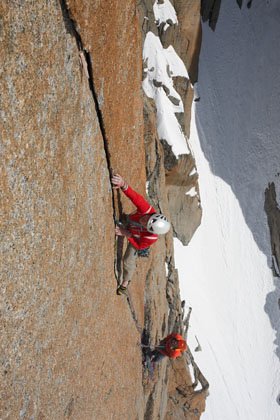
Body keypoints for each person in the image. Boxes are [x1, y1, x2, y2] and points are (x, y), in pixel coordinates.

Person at [111, 174, 171, 295]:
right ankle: (127, 225)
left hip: (137, 240)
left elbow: (139, 246)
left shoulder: (151, 237)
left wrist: (126, 234)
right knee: (128, 220)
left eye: (146, 224)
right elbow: (135, 197)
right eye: (147, 219)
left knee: (128, 260)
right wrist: (123, 184)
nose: (144, 221)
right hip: (130, 224)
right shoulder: (147, 210)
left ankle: (126, 281)